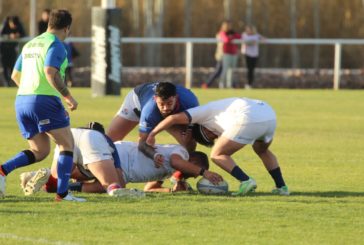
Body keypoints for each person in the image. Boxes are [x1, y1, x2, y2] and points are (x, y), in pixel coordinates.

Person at [0, 9, 83, 202]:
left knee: (40, 151)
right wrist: (68, 97)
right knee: (67, 144)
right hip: (43, 99)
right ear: (67, 28)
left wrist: (31, 94)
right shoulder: (57, 45)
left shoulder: (30, 44)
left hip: (21, 100)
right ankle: (62, 194)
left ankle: (2, 170)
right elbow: (49, 72)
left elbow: (14, 75)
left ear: (48, 24)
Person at [146, 97, 290, 196]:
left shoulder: (201, 113)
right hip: (268, 114)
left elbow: (173, 118)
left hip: (249, 116)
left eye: (211, 136)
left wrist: (152, 133)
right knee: (262, 150)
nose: (216, 136)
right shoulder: (219, 117)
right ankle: (281, 187)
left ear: (204, 129)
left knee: (216, 154)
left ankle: (246, 181)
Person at [20, 125, 222, 195]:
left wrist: (171, 190)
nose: (194, 176)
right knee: (113, 186)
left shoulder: (168, 169)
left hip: (112, 152)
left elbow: (149, 188)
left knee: (73, 174)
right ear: (194, 162)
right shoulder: (181, 153)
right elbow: (179, 163)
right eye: (196, 170)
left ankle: (43, 178)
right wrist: (205, 173)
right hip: (118, 158)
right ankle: (63, 187)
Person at [21, 123, 145, 197]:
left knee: (55, 184)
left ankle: (41, 176)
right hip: (91, 140)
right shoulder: (104, 140)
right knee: (111, 185)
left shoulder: (82, 133)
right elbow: (120, 180)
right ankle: (71, 187)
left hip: (70, 134)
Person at [107, 81, 199, 164]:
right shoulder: (149, 111)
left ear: (176, 97)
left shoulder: (190, 103)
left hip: (176, 114)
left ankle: (178, 178)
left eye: (169, 103)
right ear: (155, 99)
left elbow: (195, 128)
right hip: (136, 104)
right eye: (162, 104)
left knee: (189, 143)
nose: (165, 108)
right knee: (108, 142)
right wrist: (154, 155)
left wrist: (190, 130)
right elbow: (142, 143)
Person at [0, 16, 25, 87]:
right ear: (10, 22)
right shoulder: (4, 24)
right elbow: (1, 34)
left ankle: (11, 83)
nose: (14, 27)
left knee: (12, 67)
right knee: (4, 67)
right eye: (13, 25)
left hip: (12, 49)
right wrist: (9, 36)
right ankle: (6, 83)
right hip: (3, 50)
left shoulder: (19, 25)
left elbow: (24, 34)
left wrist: (18, 35)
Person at [217, 20, 241, 89]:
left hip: (234, 53)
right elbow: (226, 39)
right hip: (226, 54)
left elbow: (239, 37)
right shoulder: (222, 32)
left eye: (230, 25)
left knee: (232, 70)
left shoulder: (233, 32)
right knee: (225, 69)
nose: (229, 27)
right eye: (227, 25)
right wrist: (231, 38)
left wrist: (232, 37)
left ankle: (229, 84)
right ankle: (221, 84)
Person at [241, 25, 266, 89]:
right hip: (247, 54)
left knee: (252, 70)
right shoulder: (244, 35)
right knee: (248, 69)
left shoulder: (256, 35)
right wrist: (252, 42)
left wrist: (259, 41)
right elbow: (244, 42)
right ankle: (247, 84)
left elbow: (264, 40)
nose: (249, 31)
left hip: (254, 55)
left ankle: (250, 84)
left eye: (250, 29)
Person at [201, 23, 224, 89]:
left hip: (226, 55)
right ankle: (207, 84)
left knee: (222, 71)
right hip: (221, 55)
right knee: (218, 71)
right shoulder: (220, 34)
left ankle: (208, 84)